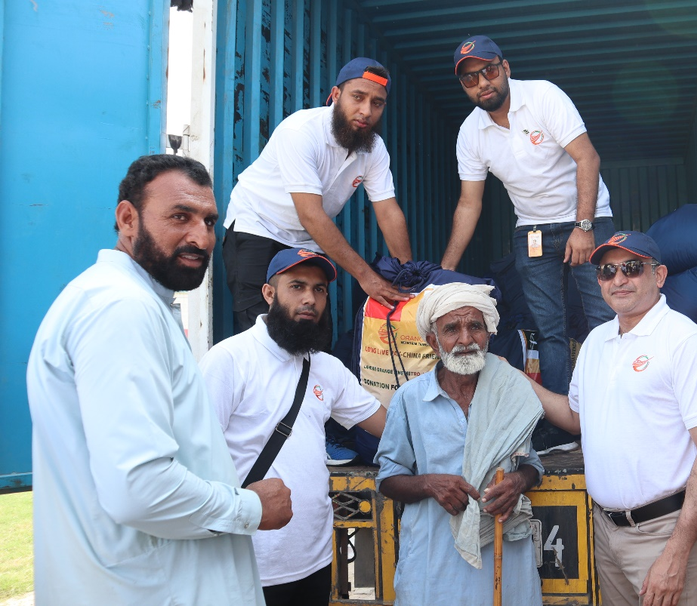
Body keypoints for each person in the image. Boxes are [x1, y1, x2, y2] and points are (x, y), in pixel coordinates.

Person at [26, 155, 293, 606]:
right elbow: (139, 488)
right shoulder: (121, 309)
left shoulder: (131, 302)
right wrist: (250, 507)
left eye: (209, 221)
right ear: (127, 218)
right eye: (179, 217)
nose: (201, 238)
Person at [528, 231, 697, 606]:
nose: (618, 279)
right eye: (607, 272)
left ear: (659, 275)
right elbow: (575, 418)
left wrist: (676, 553)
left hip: (663, 533)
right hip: (606, 530)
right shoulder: (596, 341)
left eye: (632, 268)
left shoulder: (686, 342)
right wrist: (520, 382)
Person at [440, 35, 615, 427]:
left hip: (587, 218)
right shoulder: (470, 133)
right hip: (532, 230)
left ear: (505, 68)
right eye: (470, 78)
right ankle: (563, 425)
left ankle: (613, 413)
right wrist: (445, 270)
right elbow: (469, 203)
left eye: (488, 70)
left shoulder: (542, 97)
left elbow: (587, 157)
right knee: (549, 330)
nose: (482, 82)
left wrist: (583, 226)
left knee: (605, 319)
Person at [200, 248, 387, 605]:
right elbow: (197, 459)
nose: (310, 299)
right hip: (250, 563)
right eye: (297, 286)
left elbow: (388, 427)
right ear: (269, 294)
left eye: (319, 290)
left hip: (316, 559)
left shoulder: (326, 368)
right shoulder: (229, 360)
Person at [375, 283, 544, 606]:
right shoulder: (410, 399)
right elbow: (387, 479)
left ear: (488, 334)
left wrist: (517, 482)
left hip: (503, 557)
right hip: (434, 563)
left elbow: (531, 465)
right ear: (433, 341)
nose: (466, 340)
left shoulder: (510, 391)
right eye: (452, 329)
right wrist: (428, 484)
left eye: (475, 327)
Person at [223, 56, 413, 332]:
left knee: (314, 331)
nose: (366, 111)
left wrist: (409, 274)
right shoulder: (300, 131)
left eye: (377, 103)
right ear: (336, 95)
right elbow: (311, 214)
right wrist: (366, 276)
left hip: (306, 238)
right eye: (357, 97)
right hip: (258, 225)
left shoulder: (374, 148)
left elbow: (388, 212)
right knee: (262, 329)